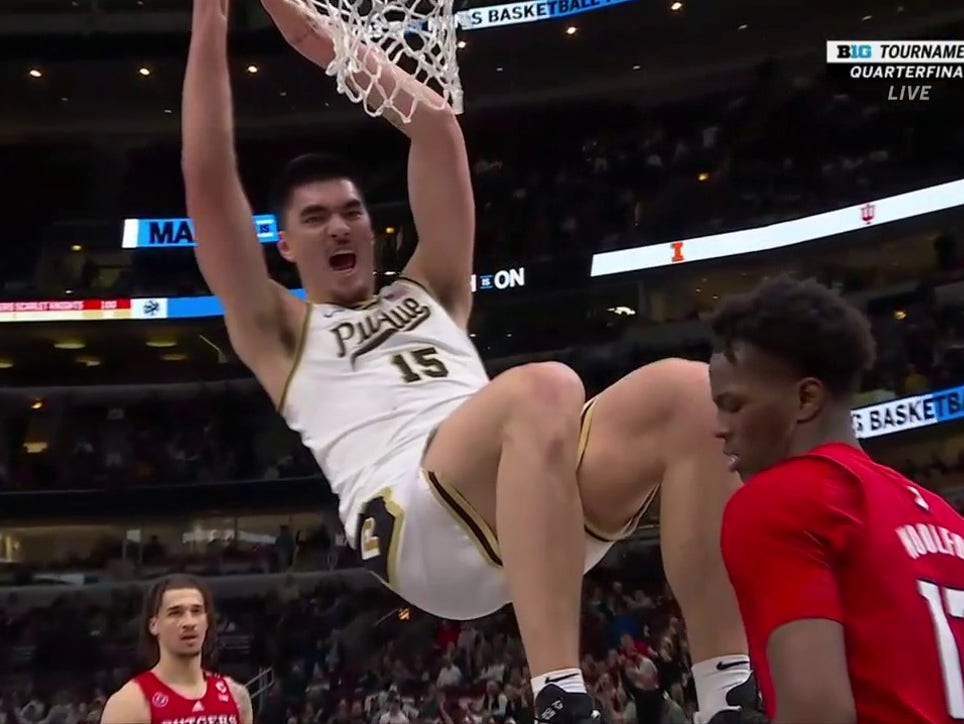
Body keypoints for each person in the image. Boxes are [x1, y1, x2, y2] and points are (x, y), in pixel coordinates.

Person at [180, 0, 759, 719]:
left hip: (527, 504)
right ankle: (557, 695)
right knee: (545, 385)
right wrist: (211, 21)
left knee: (691, 392)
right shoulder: (282, 330)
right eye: (316, 217)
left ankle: (725, 687)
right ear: (287, 247)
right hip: (414, 526)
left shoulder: (434, 287)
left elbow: (436, 129)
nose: (340, 225)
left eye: (352, 210)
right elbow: (207, 187)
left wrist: (322, 42)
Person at [708, 275, 964, 723]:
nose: (718, 426)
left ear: (806, 399)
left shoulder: (778, 501)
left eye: (732, 405)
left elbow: (818, 714)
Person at [101, 575, 253, 724]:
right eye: (175, 613)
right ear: (154, 625)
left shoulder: (236, 696)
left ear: (207, 621)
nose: (189, 622)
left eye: (196, 611)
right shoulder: (129, 704)